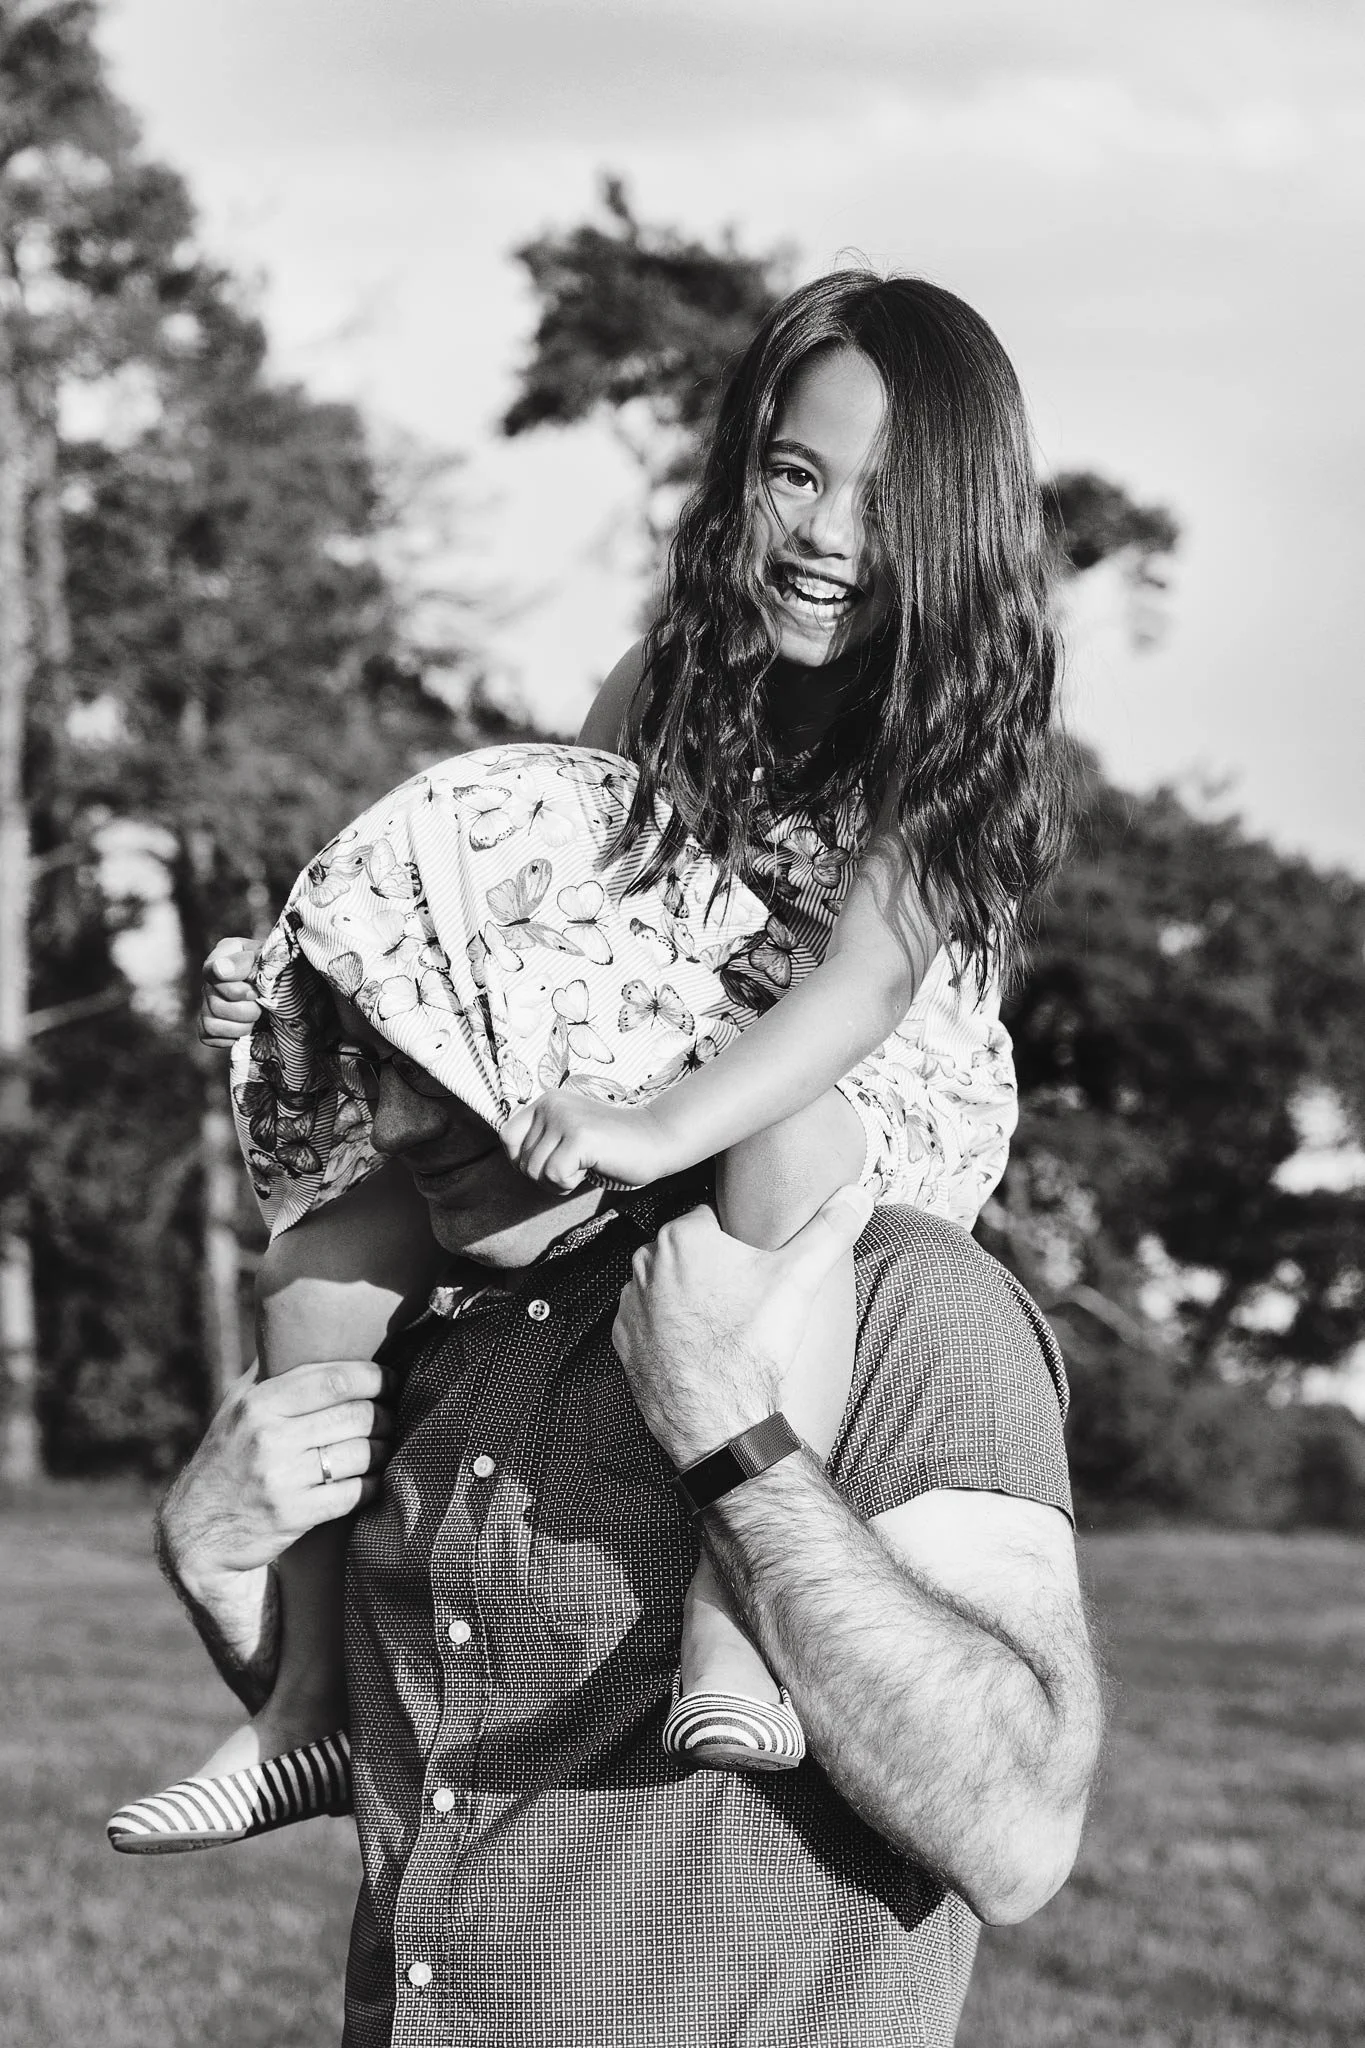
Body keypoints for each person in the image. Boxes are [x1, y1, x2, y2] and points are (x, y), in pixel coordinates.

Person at [108, 268, 1069, 1847]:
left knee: (788, 1144)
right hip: (662, 1046)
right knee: (320, 1260)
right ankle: (297, 1715)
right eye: (793, 474)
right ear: (740, 472)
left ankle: (736, 1612)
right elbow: (555, 891)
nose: (826, 534)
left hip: (860, 1092)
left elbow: (860, 995)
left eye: (882, 501)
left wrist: (655, 1124)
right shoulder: (669, 678)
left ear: (957, 525)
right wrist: (300, 985)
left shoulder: (947, 722)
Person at [150, 1005, 1102, 2048]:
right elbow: (416, 1769)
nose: (390, 1122)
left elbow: (1016, 1834)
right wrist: (214, 1561)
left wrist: (730, 1436)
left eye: (444, 1052)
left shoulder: (908, 1291)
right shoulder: (433, 1330)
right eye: (374, 1065)